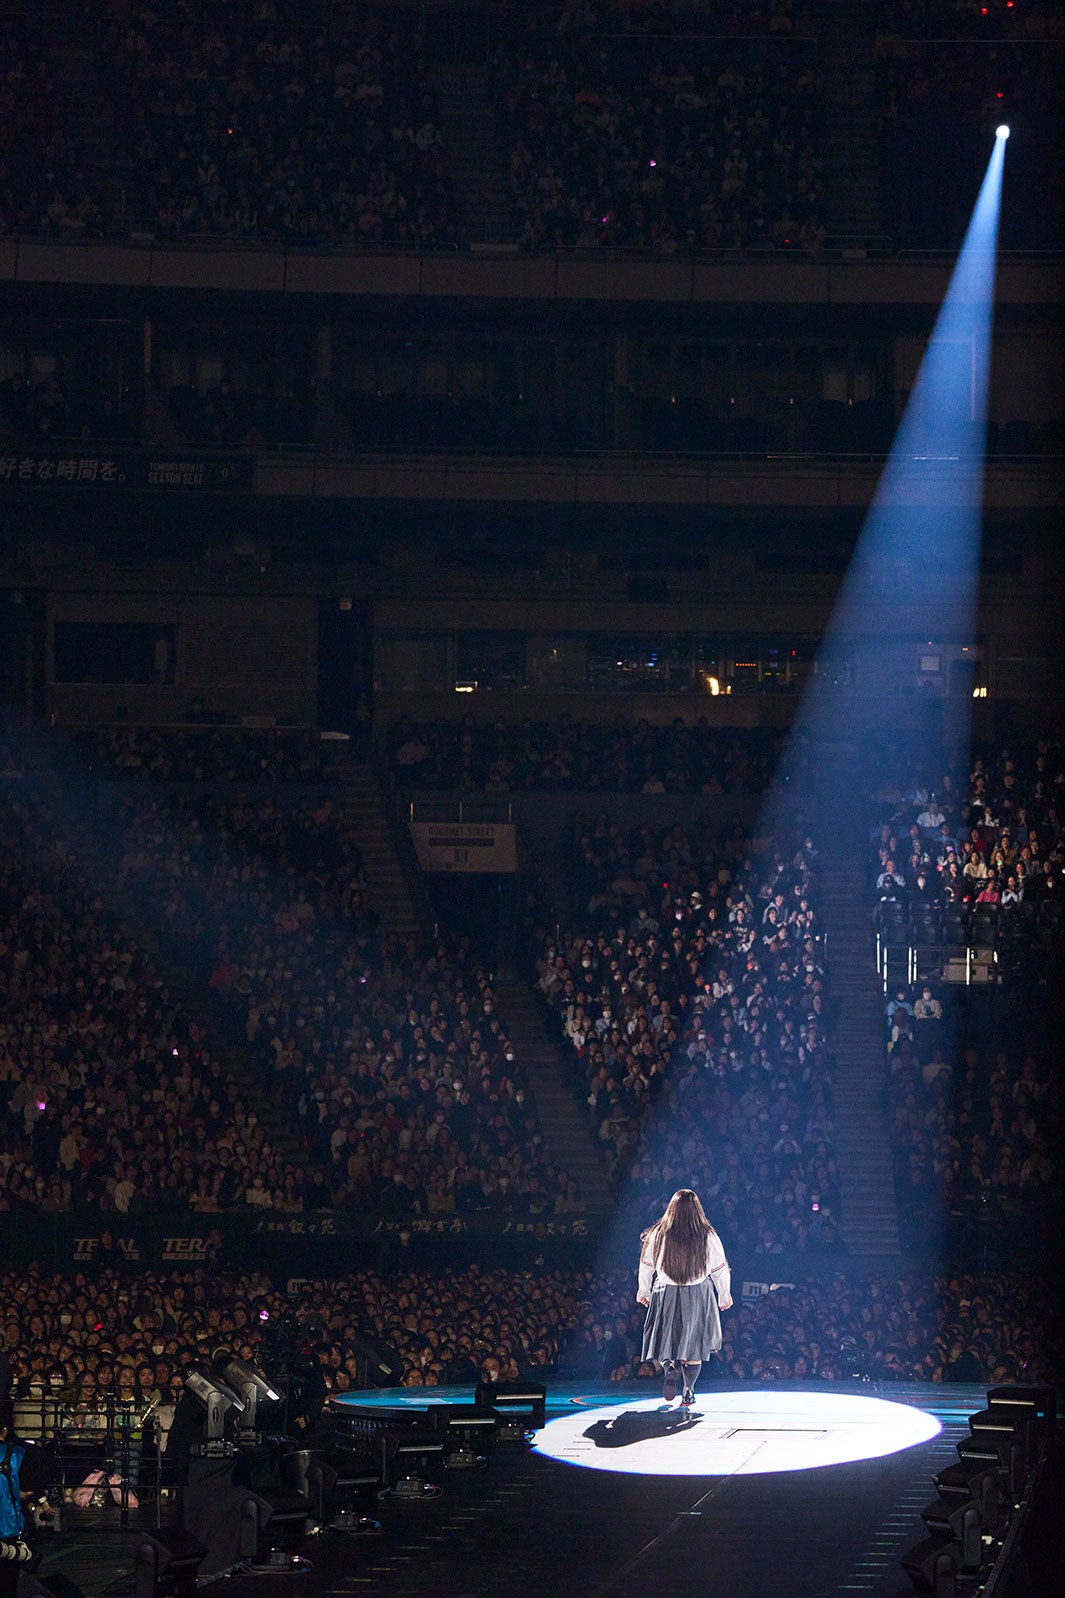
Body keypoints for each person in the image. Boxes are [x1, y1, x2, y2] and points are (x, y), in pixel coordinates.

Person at [636, 1189, 732, 1408]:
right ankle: (688, 1389)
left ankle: (669, 1367)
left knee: (664, 1341)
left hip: (665, 1291)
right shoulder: (706, 1234)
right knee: (694, 1346)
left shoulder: (659, 1233)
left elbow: (646, 1265)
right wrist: (724, 1295)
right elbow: (719, 1268)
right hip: (698, 1293)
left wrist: (644, 1291)